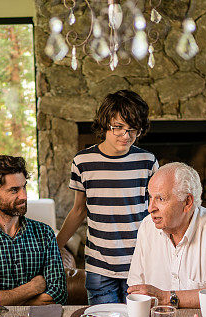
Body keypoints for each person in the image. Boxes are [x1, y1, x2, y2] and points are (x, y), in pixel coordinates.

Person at [56, 90, 158, 304]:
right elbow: (78, 210)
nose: (125, 136)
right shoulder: (83, 161)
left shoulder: (147, 162)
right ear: (104, 125)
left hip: (141, 264)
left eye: (133, 130)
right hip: (99, 268)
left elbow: (157, 212)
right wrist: (56, 246)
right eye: (118, 127)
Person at [127, 162, 206, 308]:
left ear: (187, 202)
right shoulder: (147, 226)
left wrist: (167, 298)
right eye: (150, 197)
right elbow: (136, 289)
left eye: (160, 199)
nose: (150, 208)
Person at [0, 155, 67, 306]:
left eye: (24, 187)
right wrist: (33, 288)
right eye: (14, 190)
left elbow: (59, 294)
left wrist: (1, 299)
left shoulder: (44, 233)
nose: (23, 196)